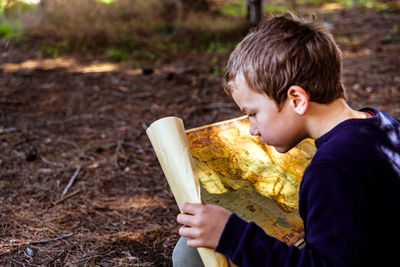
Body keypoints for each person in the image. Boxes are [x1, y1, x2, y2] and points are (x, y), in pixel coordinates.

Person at [173, 12, 400, 267]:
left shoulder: (333, 168)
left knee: (189, 256)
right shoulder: (384, 125)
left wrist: (232, 236)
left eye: (253, 114)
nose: (252, 129)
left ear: (297, 100)